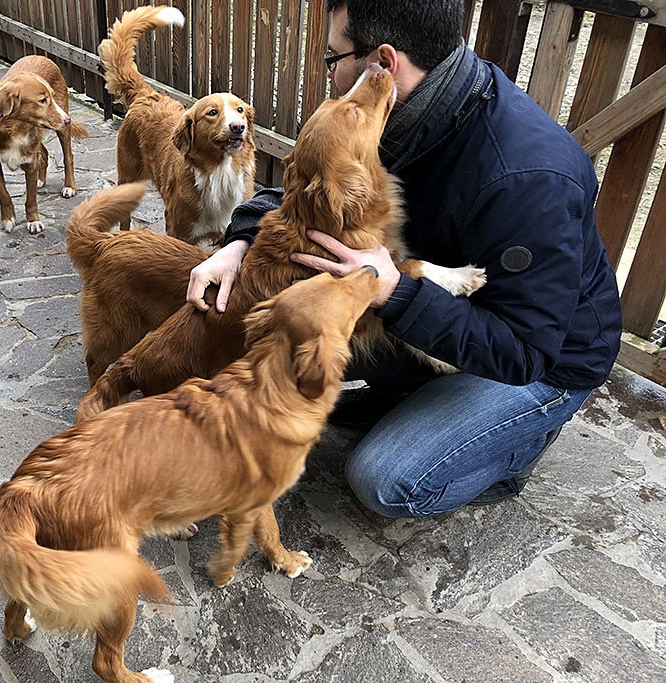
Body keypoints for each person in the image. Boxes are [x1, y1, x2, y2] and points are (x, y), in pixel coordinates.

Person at [186, 0, 622, 516]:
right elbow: (306, 199)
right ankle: (408, 393)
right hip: (447, 300)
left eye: (332, 58)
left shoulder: (527, 179)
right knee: (304, 343)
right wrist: (239, 242)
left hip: (545, 361)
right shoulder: (409, 110)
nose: (331, 75)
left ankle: (515, 447)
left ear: (383, 62)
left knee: (385, 480)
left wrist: (394, 292)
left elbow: (525, 351)